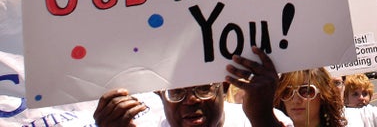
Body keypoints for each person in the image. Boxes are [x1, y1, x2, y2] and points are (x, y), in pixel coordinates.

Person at [94, 46, 291, 127]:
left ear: (223, 86)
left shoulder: (260, 119)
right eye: (177, 92)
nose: (191, 100)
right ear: (159, 94)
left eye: (204, 88)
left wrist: (263, 119)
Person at [275, 67, 377, 127]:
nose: (295, 100)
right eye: (287, 92)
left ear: (323, 94)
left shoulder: (353, 119)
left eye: (306, 91)